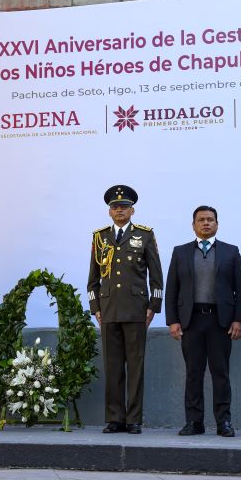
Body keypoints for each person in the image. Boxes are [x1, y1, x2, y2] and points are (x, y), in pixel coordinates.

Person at [165, 206, 241, 437]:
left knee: (220, 373)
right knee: (193, 373)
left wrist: (239, 320)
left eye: (210, 220)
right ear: (193, 225)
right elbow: (172, 289)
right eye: (201, 220)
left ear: (217, 224)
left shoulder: (231, 252)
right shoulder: (180, 252)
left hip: (220, 322)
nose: (206, 223)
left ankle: (224, 422)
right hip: (191, 322)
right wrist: (172, 320)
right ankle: (194, 422)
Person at [87, 185, 163, 434]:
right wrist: (95, 307)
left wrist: (154, 306)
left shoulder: (145, 235)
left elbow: (156, 277)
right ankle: (114, 418)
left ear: (132, 210)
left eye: (124, 206)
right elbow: (93, 279)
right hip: (108, 310)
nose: (119, 210)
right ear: (109, 212)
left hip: (136, 309)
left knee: (135, 366)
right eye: (115, 207)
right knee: (112, 366)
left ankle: (133, 419)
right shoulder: (100, 237)